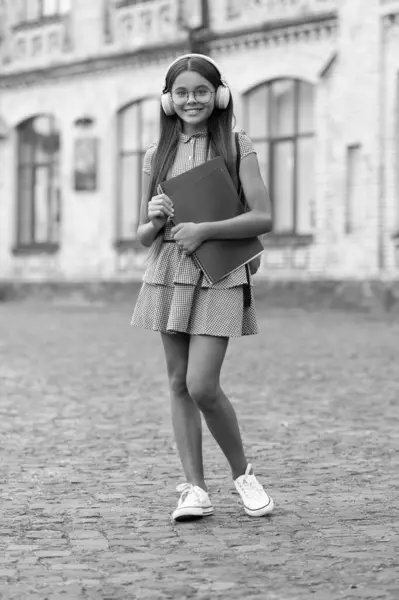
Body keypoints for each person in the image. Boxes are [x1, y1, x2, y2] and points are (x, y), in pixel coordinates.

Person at [131, 53, 274, 522]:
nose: (191, 100)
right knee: (177, 383)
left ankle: (243, 474)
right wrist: (152, 222)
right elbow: (142, 235)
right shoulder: (158, 155)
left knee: (202, 385)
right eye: (182, 92)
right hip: (167, 272)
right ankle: (195, 488)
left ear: (219, 95)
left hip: (219, 274)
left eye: (200, 91)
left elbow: (263, 217)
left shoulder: (236, 145)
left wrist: (205, 230)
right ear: (168, 100)